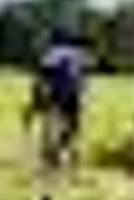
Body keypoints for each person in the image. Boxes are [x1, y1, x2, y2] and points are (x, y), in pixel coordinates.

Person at [27, 30, 91, 174]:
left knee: (51, 126)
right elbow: (83, 78)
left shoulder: (51, 54)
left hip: (57, 94)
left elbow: (41, 78)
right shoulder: (79, 54)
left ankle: (52, 155)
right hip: (72, 94)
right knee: (72, 127)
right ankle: (64, 153)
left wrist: (35, 102)